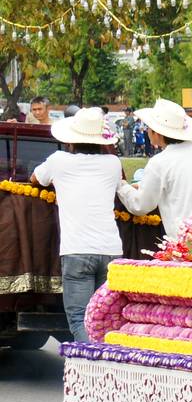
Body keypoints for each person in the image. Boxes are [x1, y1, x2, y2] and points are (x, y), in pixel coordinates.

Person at [31, 108, 123, 343]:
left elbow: (35, 179)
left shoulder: (59, 161)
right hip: (111, 251)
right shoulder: (113, 163)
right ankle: (108, 364)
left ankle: (93, 369)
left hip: (77, 251)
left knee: (79, 317)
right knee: (106, 318)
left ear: (70, 140)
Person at [116, 98, 192, 238]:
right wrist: (141, 184)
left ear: (156, 133)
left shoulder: (159, 162)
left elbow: (140, 205)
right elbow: (187, 176)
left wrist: (122, 186)